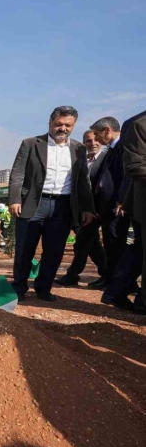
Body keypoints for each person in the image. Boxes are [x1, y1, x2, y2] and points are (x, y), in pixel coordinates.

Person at [9, 106, 96, 302]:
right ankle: (19, 287)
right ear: (50, 122)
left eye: (68, 125)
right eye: (59, 124)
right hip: (33, 204)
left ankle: (43, 287)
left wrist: (88, 207)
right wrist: (14, 199)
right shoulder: (31, 144)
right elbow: (17, 174)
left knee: (54, 251)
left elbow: (83, 180)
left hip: (63, 207)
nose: (63, 128)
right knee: (24, 249)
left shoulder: (79, 149)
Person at [55, 130, 107, 287]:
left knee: (84, 243)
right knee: (90, 244)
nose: (93, 143)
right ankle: (106, 274)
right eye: (88, 141)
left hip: (100, 209)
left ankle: (73, 274)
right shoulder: (81, 160)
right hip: (83, 210)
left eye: (96, 140)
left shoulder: (107, 159)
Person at [106, 108, 146, 312]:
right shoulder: (139, 125)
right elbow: (135, 167)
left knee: (138, 251)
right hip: (142, 201)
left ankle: (117, 292)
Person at [88, 117, 129, 294]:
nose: (96, 139)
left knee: (116, 244)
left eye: (97, 135)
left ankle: (119, 283)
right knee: (110, 244)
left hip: (117, 206)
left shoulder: (123, 147)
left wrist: (122, 200)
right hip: (106, 206)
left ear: (107, 130)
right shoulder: (111, 150)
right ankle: (111, 279)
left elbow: (126, 176)